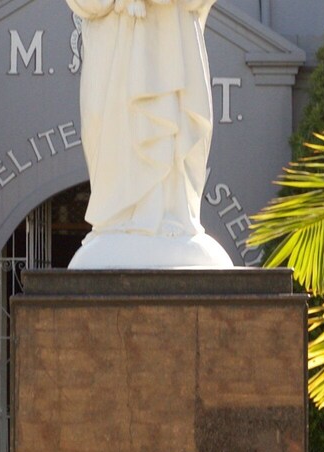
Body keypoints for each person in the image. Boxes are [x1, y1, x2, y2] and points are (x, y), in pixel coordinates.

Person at [65, 0, 233, 268]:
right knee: (110, 124)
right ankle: (119, 219)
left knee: (169, 122)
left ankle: (170, 214)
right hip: (112, 44)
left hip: (169, 38)